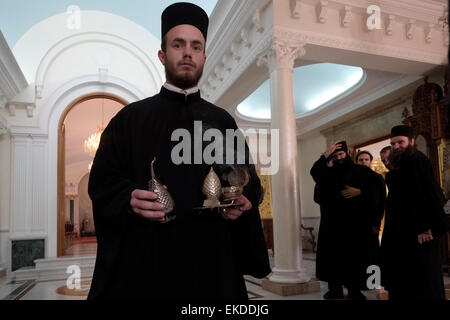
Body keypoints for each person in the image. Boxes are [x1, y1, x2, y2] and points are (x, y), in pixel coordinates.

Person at [87, 2, 271, 300]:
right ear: (163, 54)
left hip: (214, 266)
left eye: (196, 46)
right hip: (148, 267)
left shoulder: (222, 121)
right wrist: (128, 197)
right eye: (178, 44)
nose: (188, 52)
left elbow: (249, 182)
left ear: (203, 56)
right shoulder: (129, 119)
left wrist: (244, 200)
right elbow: (102, 184)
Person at [380, 125, 449, 300]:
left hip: (418, 232)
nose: (396, 146)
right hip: (402, 231)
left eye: (400, 142)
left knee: (421, 281)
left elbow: (428, 195)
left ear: (411, 141)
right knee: (404, 279)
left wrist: (425, 227)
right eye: (393, 143)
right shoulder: (399, 163)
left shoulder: (417, 160)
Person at [311, 141, 379, 300]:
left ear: (347, 153)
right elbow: (315, 173)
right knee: (333, 258)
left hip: (354, 225)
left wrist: (361, 191)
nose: (339, 158)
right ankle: (335, 290)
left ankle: (354, 290)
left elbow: (378, 186)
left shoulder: (360, 170)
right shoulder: (328, 172)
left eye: (341, 154)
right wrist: (324, 156)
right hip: (332, 225)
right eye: (335, 156)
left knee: (354, 258)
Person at [355, 150, 386, 282]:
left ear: (370, 161)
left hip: (371, 222)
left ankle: (374, 281)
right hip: (355, 223)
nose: (363, 162)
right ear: (356, 162)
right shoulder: (352, 178)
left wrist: (377, 223)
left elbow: (380, 202)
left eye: (366, 159)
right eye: (361, 160)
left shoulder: (377, 178)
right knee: (357, 254)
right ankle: (359, 282)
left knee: (372, 253)